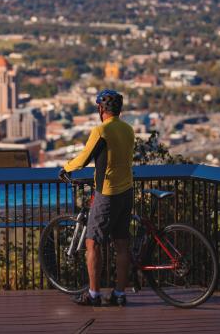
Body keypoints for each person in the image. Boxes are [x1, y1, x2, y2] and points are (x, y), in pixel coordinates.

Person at [59, 89, 135, 307]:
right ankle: (119, 294)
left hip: (108, 193)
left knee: (93, 243)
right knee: (122, 244)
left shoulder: (101, 130)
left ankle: (93, 294)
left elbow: (84, 158)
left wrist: (66, 168)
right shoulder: (128, 129)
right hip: (126, 190)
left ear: (101, 108)